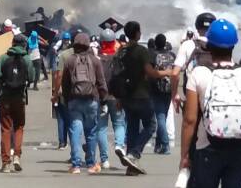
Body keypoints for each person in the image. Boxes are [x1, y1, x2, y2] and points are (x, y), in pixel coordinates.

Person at [181, 19, 241, 188]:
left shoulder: (198, 74)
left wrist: (185, 156)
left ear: (209, 45)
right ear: (233, 45)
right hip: (240, 148)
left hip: (207, 147)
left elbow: (189, 120)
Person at [114, 21, 170, 175]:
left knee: (132, 128)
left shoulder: (121, 52)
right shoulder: (141, 51)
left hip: (126, 96)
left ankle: (132, 167)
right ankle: (134, 154)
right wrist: (167, 73)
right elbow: (151, 72)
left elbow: (117, 74)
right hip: (141, 95)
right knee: (151, 126)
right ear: (137, 33)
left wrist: (118, 97)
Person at [61, 32, 108, 174]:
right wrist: (103, 100)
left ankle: (75, 165)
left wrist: (67, 98)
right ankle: (91, 164)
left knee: (75, 131)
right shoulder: (95, 60)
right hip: (92, 100)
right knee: (91, 132)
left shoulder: (70, 60)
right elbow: (101, 82)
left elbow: (65, 82)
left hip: (74, 100)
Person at [0, 33, 35, 173]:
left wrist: (0, 92)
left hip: (5, 97)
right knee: (19, 127)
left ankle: (5, 163)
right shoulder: (27, 59)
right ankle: (16, 156)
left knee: (5, 128)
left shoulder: (3, 58)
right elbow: (32, 77)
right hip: (20, 97)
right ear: (24, 45)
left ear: (12, 43)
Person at [95, 28, 126, 170]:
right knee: (119, 124)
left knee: (101, 128)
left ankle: (104, 160)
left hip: (101, 97)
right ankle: (119, 145)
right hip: (116, 96)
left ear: (101, 42)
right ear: (114, 42)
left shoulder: (96, 59)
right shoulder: (118, 58)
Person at [151, 33, 176, 155]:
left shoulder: (153, 55)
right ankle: (158, 144)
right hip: (169, 88)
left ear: (156, 43)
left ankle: (165, 145)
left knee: (160, 117)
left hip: (156, 89)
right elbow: (176, 73)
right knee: (163, 116)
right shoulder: (172, 55)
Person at [50, 32, 73, 151]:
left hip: (59, 89)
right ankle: (71, 143)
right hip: (68, 91)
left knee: (61, 118)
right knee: (69, 118)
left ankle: (62, 143)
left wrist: (54, 91)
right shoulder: (72, 56)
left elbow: (56, 74)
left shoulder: (59, 56)